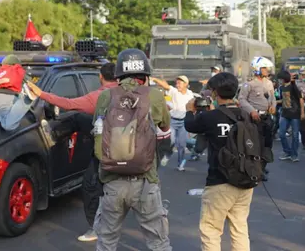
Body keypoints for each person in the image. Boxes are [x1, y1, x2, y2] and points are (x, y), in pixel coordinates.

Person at [28, 63, 117, 242]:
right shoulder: (131, 94)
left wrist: (41, 94)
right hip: (132, 152)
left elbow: (69, 103)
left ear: (101, 77)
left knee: (91, 187)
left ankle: (96, 229)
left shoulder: (99, 97)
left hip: (106, 152)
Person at [93, 49, 172, 250]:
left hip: (112, 180)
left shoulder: (105, 97)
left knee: (107, 241)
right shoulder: (154, 95)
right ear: (145, 75)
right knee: (158, 242)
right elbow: (164, 126)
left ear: (118, 74)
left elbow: (97, 132)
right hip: (145, 179)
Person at [185, 72, 257, 251]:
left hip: (220, 181)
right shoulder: (245, 115)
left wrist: (189, 109)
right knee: (240, 228)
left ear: (215, 93)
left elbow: (190, 126)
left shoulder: (209, 117)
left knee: (211, 230)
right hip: (246, 179)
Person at [238, 56, 276, 181]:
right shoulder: (249, 84)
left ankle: (263, 166)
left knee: (267, 144)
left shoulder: (269, 83)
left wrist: (273, 106)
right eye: (264, 68)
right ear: (257, 69)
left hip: (267, 117)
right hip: (254, 118)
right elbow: (241, 99)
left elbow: (273, 97)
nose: (267, 70)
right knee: (256, 144)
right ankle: (256, 169)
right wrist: (252, 111)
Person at [151, 75, 194, 171]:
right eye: (177, 82)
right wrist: (155, 79)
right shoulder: (174, 91)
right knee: (171, 141)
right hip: (173, 121)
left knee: (181, 145)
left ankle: (180, 165)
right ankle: (167, 155)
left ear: (186, 84)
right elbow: (165, 86)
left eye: (180, 83)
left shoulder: (190, 94)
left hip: (183, 122)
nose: (177, 84)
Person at [277, 70, 305, 162]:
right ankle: (287, 152)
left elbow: (301, 99)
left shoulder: (293, 87)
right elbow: (284, 100)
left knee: (295, 135)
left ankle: (294, 154)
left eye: (281, 79)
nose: (279, 81)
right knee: (281, 134)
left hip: (295, 114)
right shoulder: (281, 88)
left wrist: (302, 112)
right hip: (284, 114)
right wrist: (274, 102)